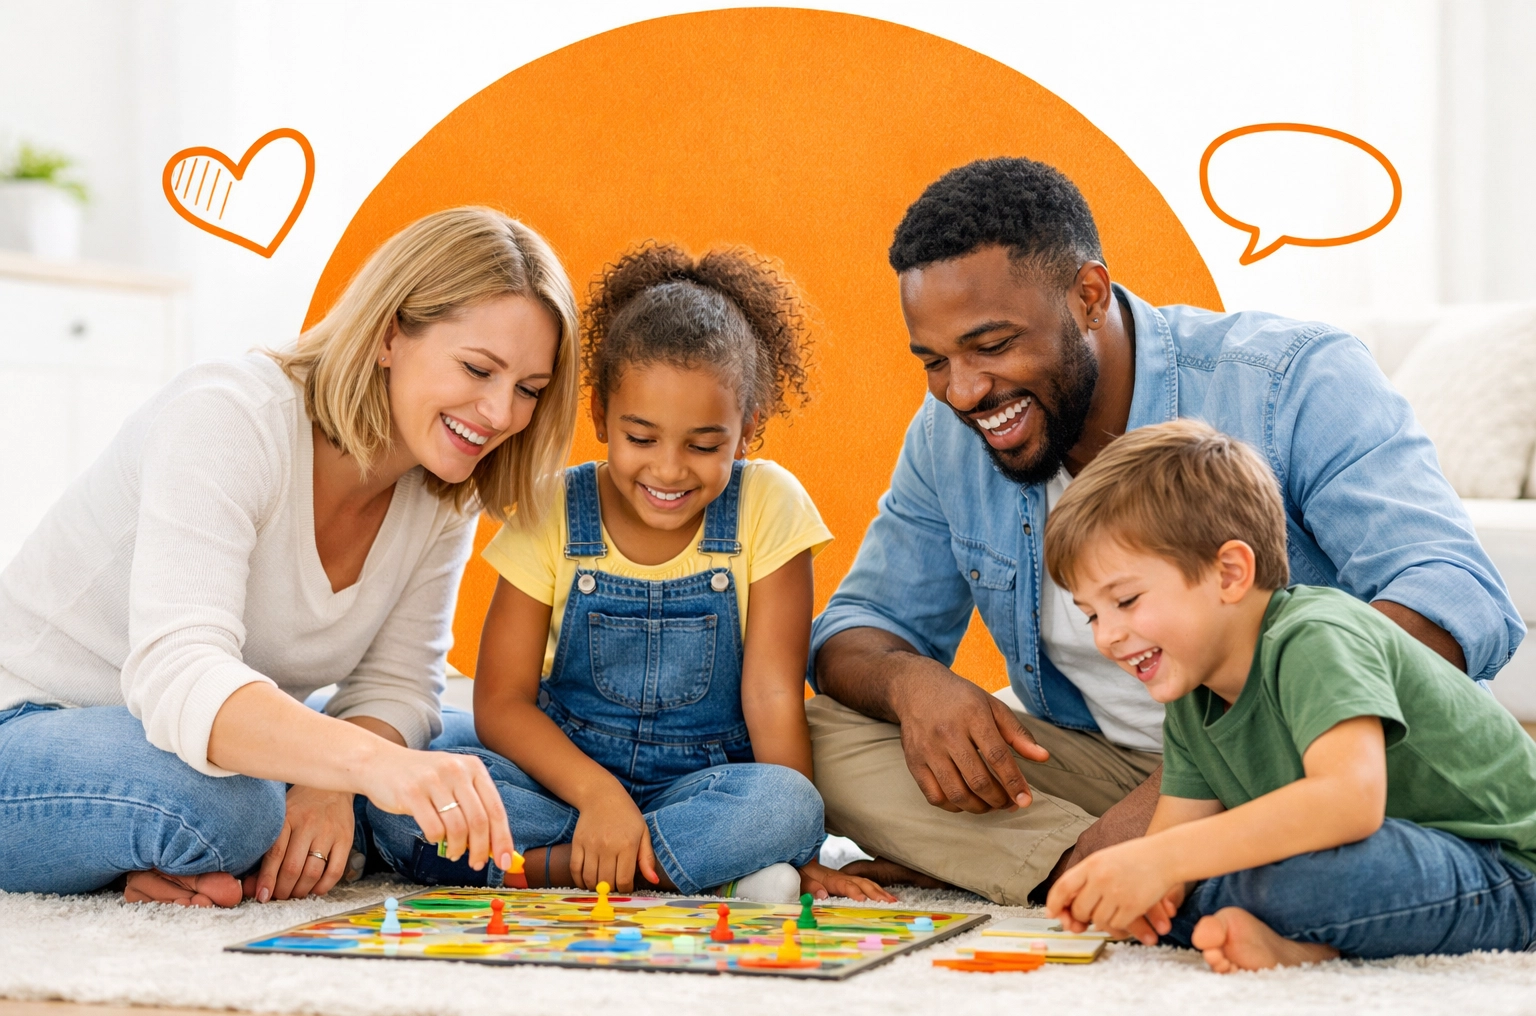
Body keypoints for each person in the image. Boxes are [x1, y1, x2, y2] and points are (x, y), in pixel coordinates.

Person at [809, 157, 1524, 906]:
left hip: (1300, 757)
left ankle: (1080, 866)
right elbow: (857, 631)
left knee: (1326, 857)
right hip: (1104, 764)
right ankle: (1102, 866)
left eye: (991, 346)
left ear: (1087, 296)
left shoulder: (1291, 380)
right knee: (822, 740)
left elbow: (1456, 594)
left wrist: (1201, 776)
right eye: (934, 361)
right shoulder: (950, 433)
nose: (962, 391)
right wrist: (912, 684)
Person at [0, 207, 581, 906]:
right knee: (238, 807)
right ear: (390, 334)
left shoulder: (442, 485)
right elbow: (180, 673)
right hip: (35, 723)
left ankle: (194, 847)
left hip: (202, 742)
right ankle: (180, 837)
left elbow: (397, 684)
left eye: (529, 391)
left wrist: (334, 779)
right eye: (478, 369)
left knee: (481, 755)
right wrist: (363, 767)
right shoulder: (229, 417)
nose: (500, 415)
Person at [370, 243, 892, 903]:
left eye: (704, 446)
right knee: (404, 786)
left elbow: (773, 696)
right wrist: (599, 797)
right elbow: (501, 703)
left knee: (786, 803)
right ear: (599, 415)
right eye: (641, 438)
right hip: (564, 783)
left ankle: (557, 869)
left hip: (699, 785)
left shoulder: (770, 504)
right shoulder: (553, 507)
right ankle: (692, 867)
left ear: (747, 427)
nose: (669, 471)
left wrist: (796, 844)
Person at [1041, 420, 1536, 969]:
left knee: (1290, 880)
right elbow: (1175, 844)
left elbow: (1349, 802)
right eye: (1090, 615)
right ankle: (1305, 945)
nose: (1106, 636)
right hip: (1378, 864)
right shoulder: (1192, 696)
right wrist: (1144, 890)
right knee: (1189, 887)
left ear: (1230, 572)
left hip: (1504, 867)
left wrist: (1157, 861)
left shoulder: (1315, 635)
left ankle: (1297, 928)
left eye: (1126, 601)